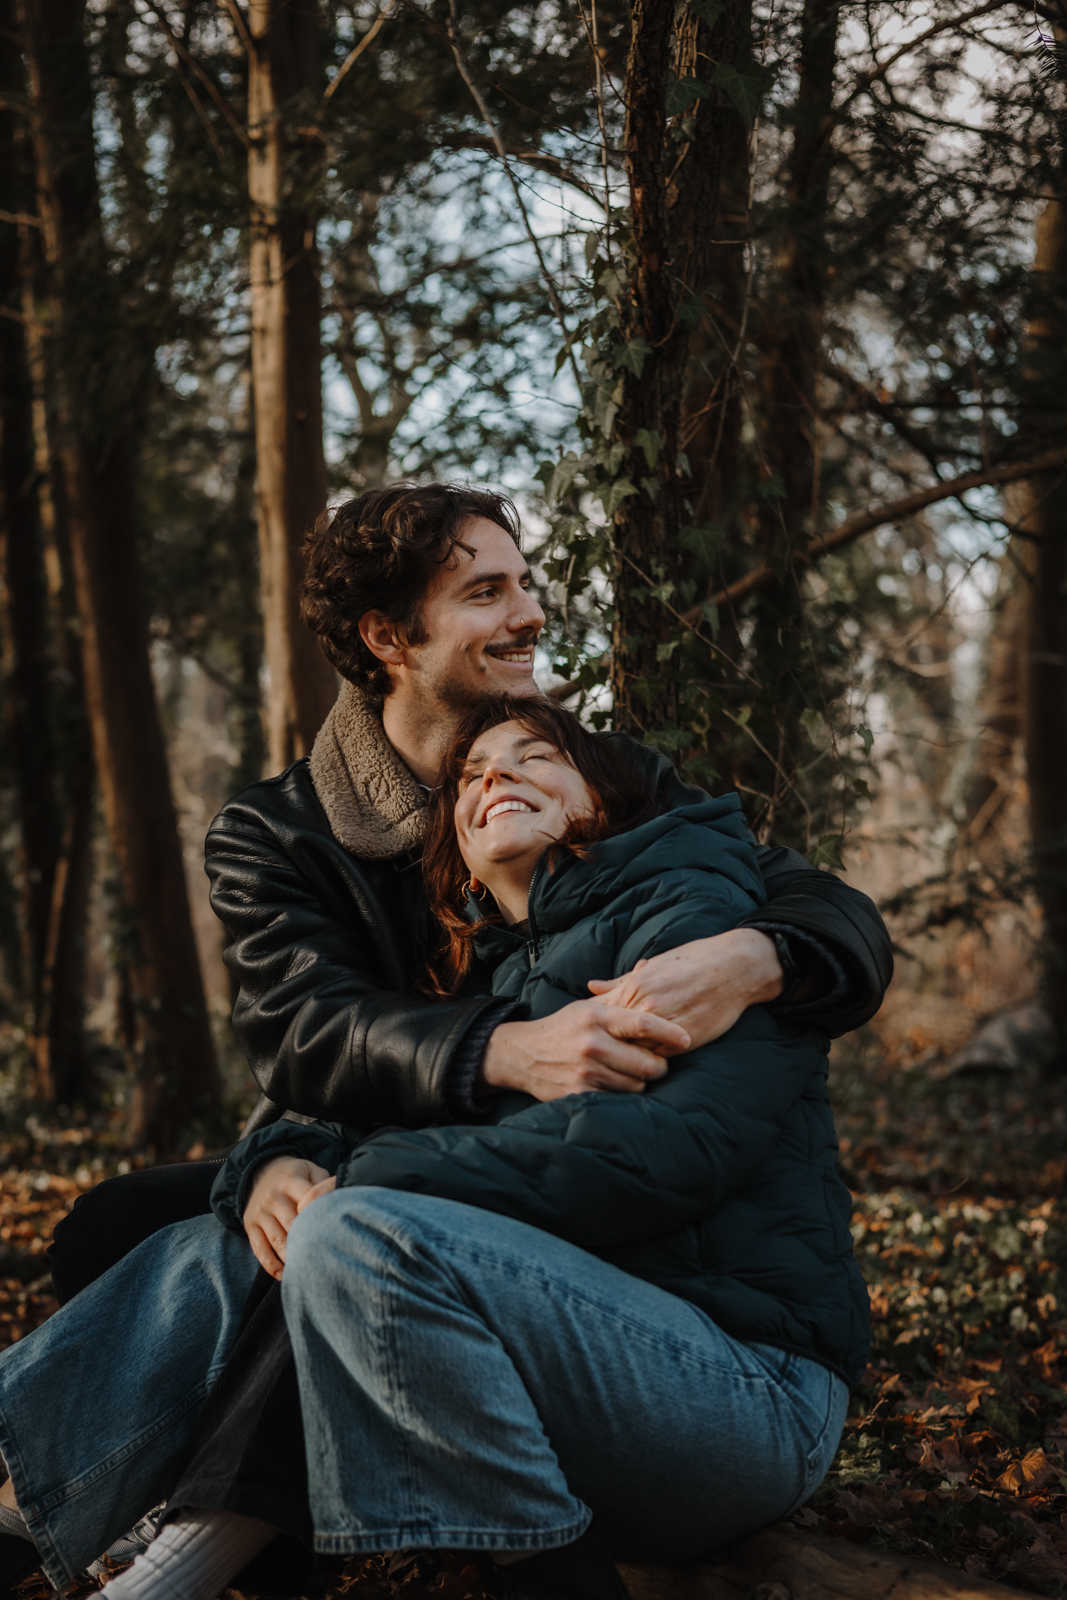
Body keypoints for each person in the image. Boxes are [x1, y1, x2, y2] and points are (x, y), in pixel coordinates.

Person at [0, 695, 870, 1600]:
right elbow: (368, 1111)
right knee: (243, 1236)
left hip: (740, 1394)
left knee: (349, 1234)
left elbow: (652, 1155)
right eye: (471, 775)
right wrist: (277, 1165)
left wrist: (354, 1184)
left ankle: (175, 1580)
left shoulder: (694, 924)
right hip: (567, 1379)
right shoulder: (485, 971)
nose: (494, 776)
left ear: (599, 797)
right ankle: (22, 1521)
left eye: (533, 757)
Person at [49, 483, 892, 1304]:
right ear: (387, 636)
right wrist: (503, 1051)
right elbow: (308, 1029)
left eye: (523, 585)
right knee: (114, 1226)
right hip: (379, 1130)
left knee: (326, 1250)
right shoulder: (278, 831)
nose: (529, 615)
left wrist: (759, 956)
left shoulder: (603, 772)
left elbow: (795, 894)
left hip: (535, 1159)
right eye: (486, 593)